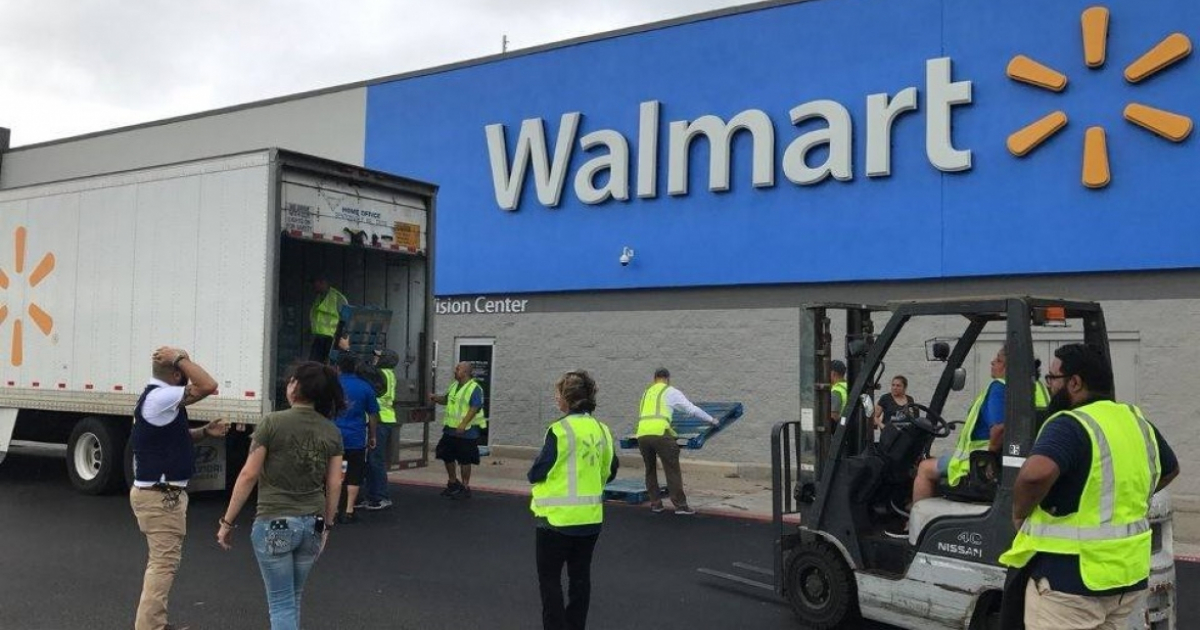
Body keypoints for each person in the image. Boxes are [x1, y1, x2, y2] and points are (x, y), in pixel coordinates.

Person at [1001, 343, 1178, 629]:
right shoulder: (1135, 420)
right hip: (1126, 579)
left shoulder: (1069, 424)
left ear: (1074, 382)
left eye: (1052, 378)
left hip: (1070, 581)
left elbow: (1034, 475)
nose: (1048, 386)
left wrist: (1020, 511)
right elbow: (1170, 469)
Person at [217, 361, 345, 630]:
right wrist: (328, 526)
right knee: (293, 598)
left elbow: (248, 475)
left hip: (274, 521)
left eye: (290, 381)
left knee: (280, 602)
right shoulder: (331, 431)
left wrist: (227, 522)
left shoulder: (271, 423)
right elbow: (334, 484)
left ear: (295, 387)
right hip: (313, 522)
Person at [129, 346, 224, 630]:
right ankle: (150, 627)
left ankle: (155, 623)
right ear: (176, 374)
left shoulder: (157, 399)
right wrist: (181, 359)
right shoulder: (162, 395)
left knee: (162, 562)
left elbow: (174, 437)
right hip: (161, 496)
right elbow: (208, 385)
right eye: (183, 371)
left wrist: (205, 432)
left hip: (157, 493)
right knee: (163, 564)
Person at [528, 370, 617, 630]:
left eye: (558, 394)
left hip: (555, 521)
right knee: (580, 579)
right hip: (590, 519)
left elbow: (540, 470)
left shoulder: (559, 430)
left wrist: (534, 473)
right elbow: (610, 470)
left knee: (550, 581)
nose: (556, 399)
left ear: (566, 399)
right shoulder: (602, 430)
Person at [911, 345, 1008, 506]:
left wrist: (989, 460)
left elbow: (999, 429)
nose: (992, 362)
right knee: (936, 461)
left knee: (924, 468)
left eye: (998, 360)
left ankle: (912, 526)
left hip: (980, 463)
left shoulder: (998, 388)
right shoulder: (1034, 388)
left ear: (1008, 367)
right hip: (1003, 462)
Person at [635, 368, 718, 516]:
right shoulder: (670, 391)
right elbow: (690, 409)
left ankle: (656, 504)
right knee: (671, 468)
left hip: (641, 434)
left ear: (654, 379)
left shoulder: (646, 393)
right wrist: (711, 420)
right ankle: (680, 506)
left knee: (650, 469)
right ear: (667, 378)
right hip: (660, 433)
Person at [333, 353, 379, 523]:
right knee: (354, 473)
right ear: (356, 368)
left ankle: (334, 509)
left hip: (334, 437)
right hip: (356, 438)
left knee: (335, 472)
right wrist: (372, 436)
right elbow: (373, 414)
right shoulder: (365, 387)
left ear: (338, 368)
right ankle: (349, 510)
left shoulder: (333, 386)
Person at [431, 361, 487, 499]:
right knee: (446, 455)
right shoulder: (454, 385)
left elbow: (475, 407)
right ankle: (453, 483)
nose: (455, 371)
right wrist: (434, 398)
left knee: (465, 459)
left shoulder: (475, 388)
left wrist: (463, 423)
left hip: (467, 431)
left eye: (458, 369)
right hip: (450, 429)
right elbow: (447, 400)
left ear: (466, 372)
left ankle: (465, 487)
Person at [363, 349, 400, 510]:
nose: (375, 359)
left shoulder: (381, 374)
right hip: (385, 419)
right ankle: (373, 495)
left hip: (380, 421)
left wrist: (348, 352)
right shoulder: (388, 374)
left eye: (378, 356)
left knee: (375, 460)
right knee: (373, 460)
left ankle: (380, 497)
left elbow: (365, 371)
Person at [308, 274, 347, 362]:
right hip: (318, 338)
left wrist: (341, 339)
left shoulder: (337, 298)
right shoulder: (319, 298)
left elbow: (346, 320)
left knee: (329, 365)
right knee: (314, 364)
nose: (313, 286)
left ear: (323, 283)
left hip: (332, 339)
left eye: (315, 283)